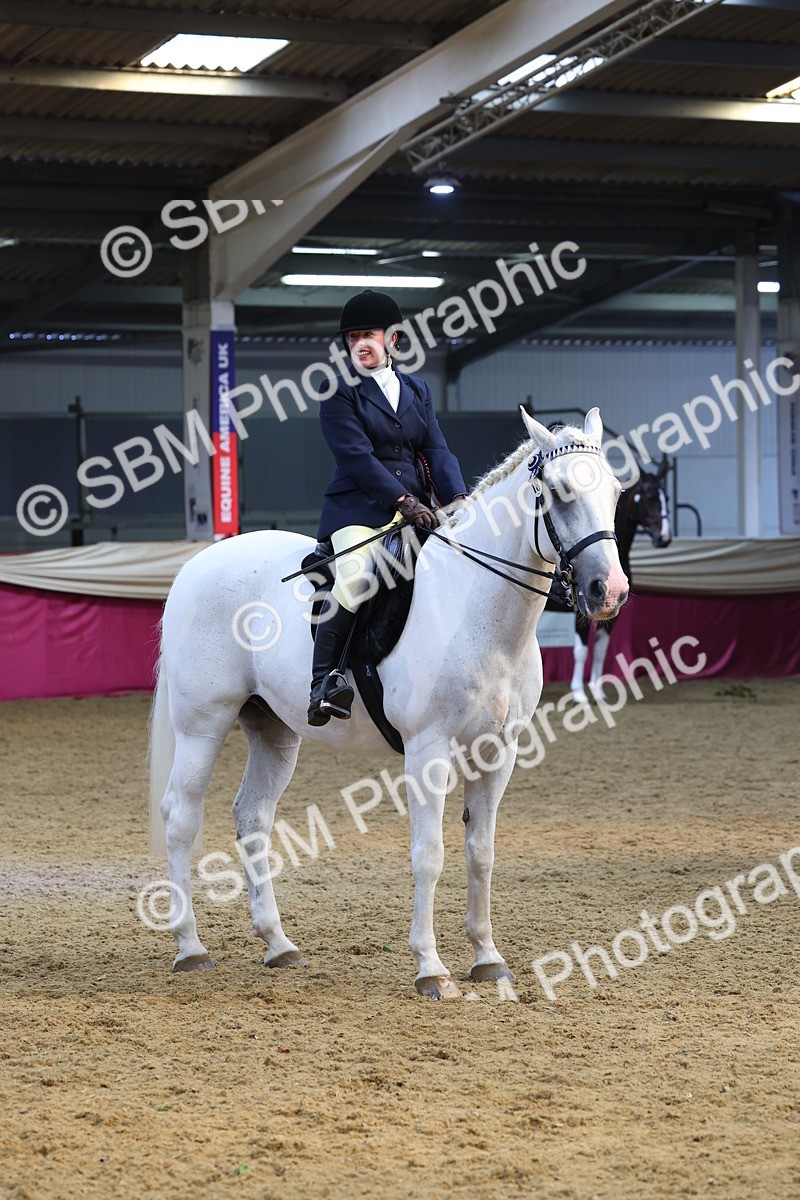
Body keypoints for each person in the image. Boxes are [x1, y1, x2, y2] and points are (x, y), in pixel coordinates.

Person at [308, 289, 468, 726]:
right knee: (358, 575)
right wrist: (405, 501)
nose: (360, 343)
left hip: (421, 509)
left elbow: (435, 447)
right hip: (360, 509)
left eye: (369, 334)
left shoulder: (417, 389)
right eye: (353, 336)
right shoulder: (338, 390)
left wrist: (457, 498)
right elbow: (357, 457)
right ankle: (324, 680)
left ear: (392, 339)